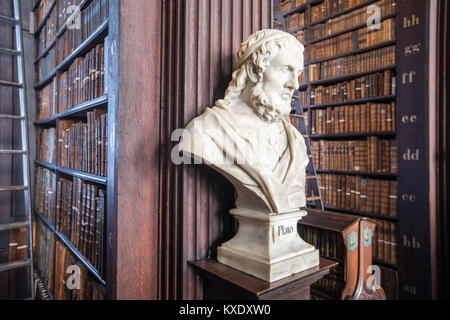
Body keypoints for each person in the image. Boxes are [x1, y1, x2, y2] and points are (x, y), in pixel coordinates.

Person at [179, 29, 309, 214]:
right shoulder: (206, 131)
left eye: (297, 73)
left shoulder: (295, 141)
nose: (295, 84)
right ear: (253, 71)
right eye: (285, 70)